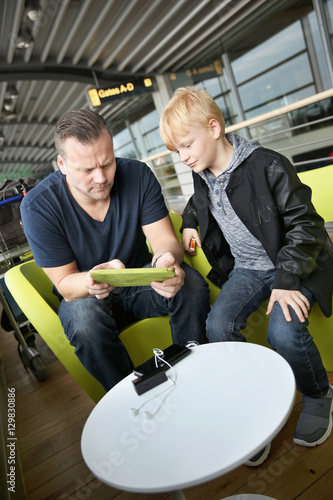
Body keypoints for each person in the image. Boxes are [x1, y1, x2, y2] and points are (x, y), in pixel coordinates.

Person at [160, 86, 333, 465]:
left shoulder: (268, 164)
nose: (183, 157)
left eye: (187, 145)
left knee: (282, 331)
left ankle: (319, 394)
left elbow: (306, 225)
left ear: (214, 128)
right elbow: (199, 202)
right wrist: (189, 221)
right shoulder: (202, 171)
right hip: (249, 270)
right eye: (177, 152)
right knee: (218, 326)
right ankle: (258, 406)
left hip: (294, 265)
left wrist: (287, 280)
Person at [20, 108, 210, 391]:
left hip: (140, 283)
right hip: (87, 296)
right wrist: (92, 278)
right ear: (62, 164)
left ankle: (193, 378)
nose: (101, 178)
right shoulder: (38, 206)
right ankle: (131, 398)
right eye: (87, 170)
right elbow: (65, 285)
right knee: (84, 320)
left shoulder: (137, 175)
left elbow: (164, 241)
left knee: (189, 283)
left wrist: (167, 260)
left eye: (107, 163)